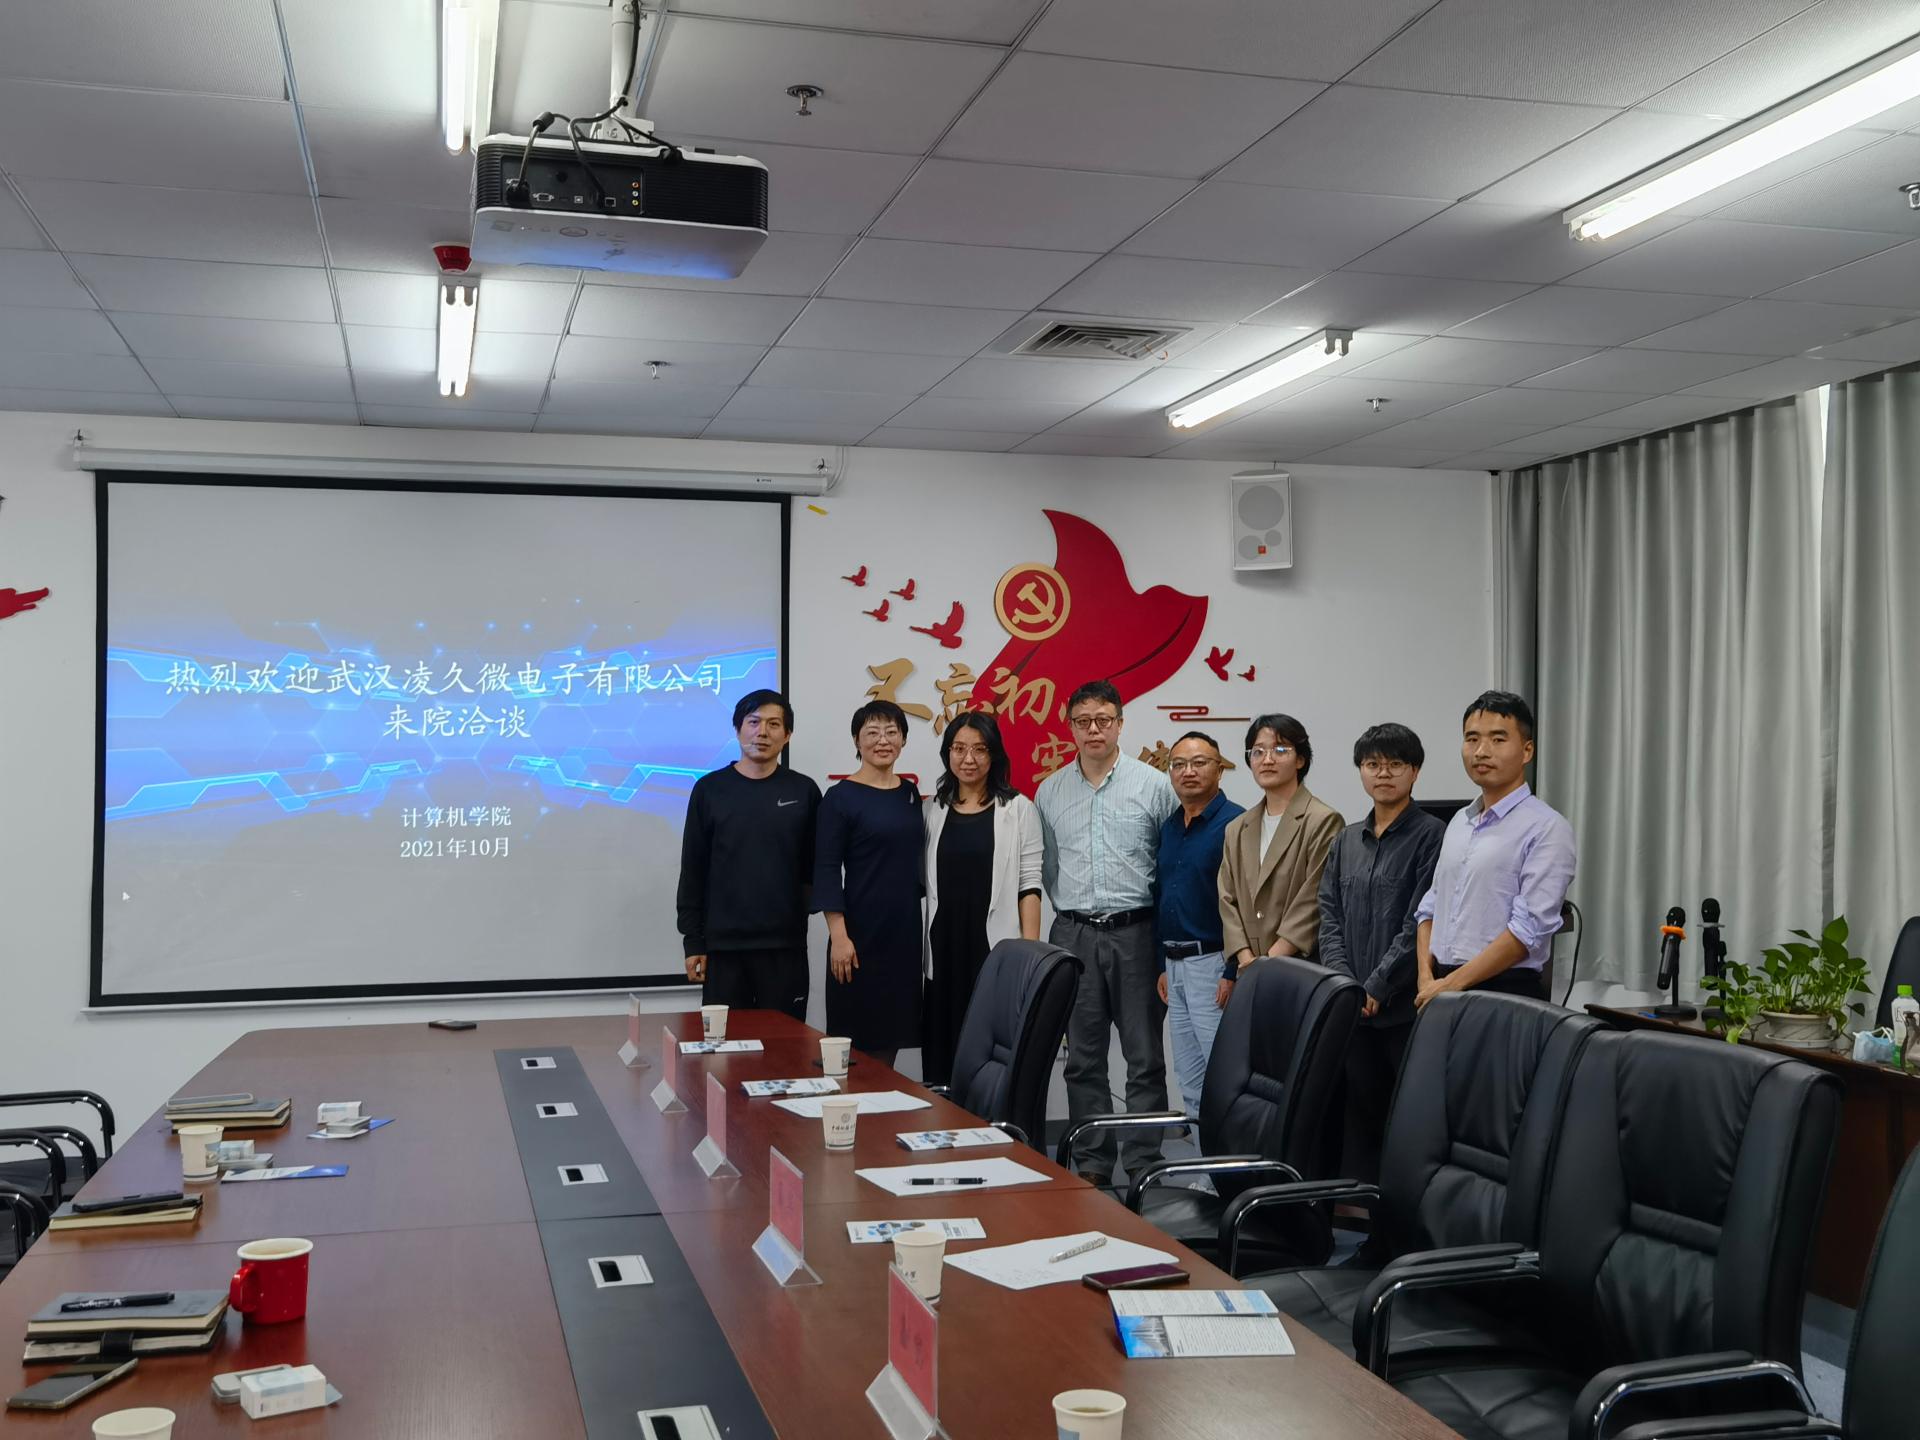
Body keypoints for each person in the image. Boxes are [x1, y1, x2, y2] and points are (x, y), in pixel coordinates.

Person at [1035, 679, 1177, 1188]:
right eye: (1083, 721)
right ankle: (1093, 1161)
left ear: (1119, 723)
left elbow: (1169, 863)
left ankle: (1143, 1161)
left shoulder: (1154, 786)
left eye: (1103, 720)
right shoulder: (1050, 791)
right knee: (1083, 1057)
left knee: (1145, 1056)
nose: (1093, 729)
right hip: (1073, 935)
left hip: (1137, 932)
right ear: (1070, 727)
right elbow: (1049, 868)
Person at [1317, 723, 1445, 1183]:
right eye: (1373, 764)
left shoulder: (1433, 836)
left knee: (1408, 1119)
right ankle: (1363, 1209)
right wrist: (1345, 985)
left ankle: (1402, 1213)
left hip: (1403, 1009)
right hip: (1353, 1008)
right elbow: (1328, 915)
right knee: (1360, 1114)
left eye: (1395, 764)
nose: (1383, 773)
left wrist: (1376, 986)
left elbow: (1419, 920)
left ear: (1415, 771)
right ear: (1361, 771)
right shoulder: (1346, 839)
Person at [1414, 691, 1576, 1007]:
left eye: (1498, 740)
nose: (1481, 751)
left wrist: (1450, 985)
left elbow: (1527, 931)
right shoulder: (1459, 821)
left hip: (1504, 992)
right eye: (1472, 739)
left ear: (1527, 750)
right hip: (1439, 986)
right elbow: (1430, 907)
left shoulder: (1547, 827)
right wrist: (1425, 977)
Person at [675, 689, 821, 1019]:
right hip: (723, 950)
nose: (762, 732)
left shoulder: (804, 791)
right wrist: (693, 941)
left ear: (788, 735)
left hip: (784, 948)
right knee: (724, 1046)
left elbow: (814, 868)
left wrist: (792, 912)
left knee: (785, 1043)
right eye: (753, 722)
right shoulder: (709, 790)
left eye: (773, 724)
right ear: (738, 728)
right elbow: (693, 869)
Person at [921, 712, 1044, 1086]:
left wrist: (1030, 957)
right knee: (941, 1053)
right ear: (947, 753)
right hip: (943, 947)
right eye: (959, 749)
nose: (968, 759)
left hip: (994, 948)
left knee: (988, 1057)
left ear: (994, 755)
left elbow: (1029, 885)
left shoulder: (1019, 809)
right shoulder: (932, 809)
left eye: (979, 749)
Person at [815, 699, 925, 1066]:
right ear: (856, 741)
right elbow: (827, 868)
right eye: (872, 732)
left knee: (891, 1038)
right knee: (854, 1043)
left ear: (903, 740)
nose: (883, 740)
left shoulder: (909, 794)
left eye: (892, 732)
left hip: (903, 935)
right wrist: (839, 936)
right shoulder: (840, 797)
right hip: (857, 935)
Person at [1153, 732, 1243, 1121]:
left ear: (1220, 769)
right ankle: (1202, 1161)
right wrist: (1162, 962)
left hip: (1214, 965)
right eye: (1178, 765)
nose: (1188, 771)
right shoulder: (1170, 826)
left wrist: (1232, 970)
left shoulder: (1237, 823)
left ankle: (1231, 1162)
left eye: (1199, 762)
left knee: (1221, 1080)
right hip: (1174, 966)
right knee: (1190, 1081)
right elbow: (1162, 895)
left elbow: (1244, 904)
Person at [1218, 713, 1345, 982]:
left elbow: (1314, 899)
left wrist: (1268, 962)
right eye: (1258, 751)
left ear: (1300, 759)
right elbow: (1227, 898)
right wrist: (1246, 959)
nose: (1267, 759)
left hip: (1300, 967)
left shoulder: (1322, 820)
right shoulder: (1237, 827)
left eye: (1280, 750)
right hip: (1248, 968)